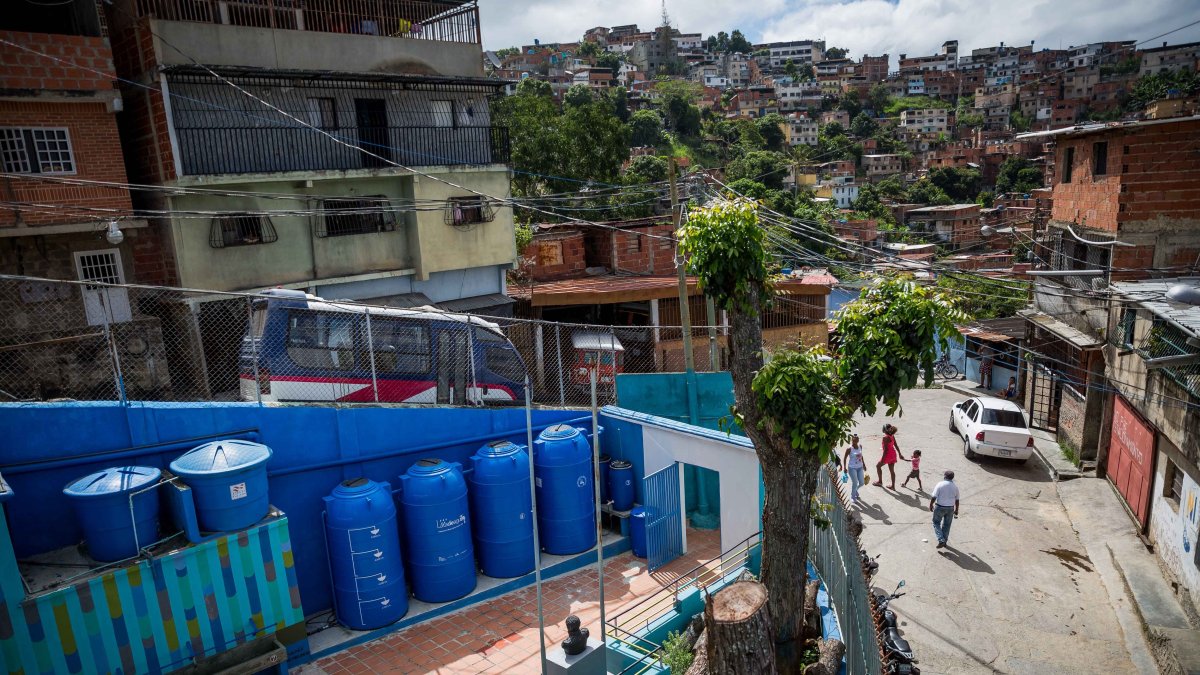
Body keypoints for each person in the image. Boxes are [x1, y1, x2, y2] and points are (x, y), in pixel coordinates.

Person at [929, 470, 960, 549]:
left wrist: (931, 504)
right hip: (950, 508)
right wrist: (956, 510)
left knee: (936, 523)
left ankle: (941, 540)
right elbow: (957, 500)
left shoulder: (940, 484)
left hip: (940, 507)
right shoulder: (955, 487)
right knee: (947, 525)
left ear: (945, 476)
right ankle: (944, 541)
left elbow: (934, 496)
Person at [876, 424, 907, 489]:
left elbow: (886, 450)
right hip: (893, 454)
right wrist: (900, 454)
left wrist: (882, 459)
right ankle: (893, 486)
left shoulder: (885, 438)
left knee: (878, 466)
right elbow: (896, 445)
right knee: (892, 471)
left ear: (884, 430)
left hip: (888, 455)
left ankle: (880, 482)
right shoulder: (892, 436)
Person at [842, 434, 866, 503]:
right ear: (852, 440)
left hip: (860, 467)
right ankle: (853, 497)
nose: (855, 441)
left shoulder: (860, 446)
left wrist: (864, 465)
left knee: (862, 482)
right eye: (853, 440)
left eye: (856, 440)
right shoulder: (849, 449)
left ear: (858, 440)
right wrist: (844, 467)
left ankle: (855, 490)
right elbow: (845, 458)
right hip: (852, 468)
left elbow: (861, 456)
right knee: (855, 482)